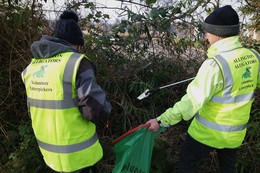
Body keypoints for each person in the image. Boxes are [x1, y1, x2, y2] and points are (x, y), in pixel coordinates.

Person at [146, 5, 260, 173]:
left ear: (219, 34)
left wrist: (161, 120)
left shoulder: (215, 65)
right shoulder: (254, 57)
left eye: (208, 31)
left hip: (206, 133)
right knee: (228, 169)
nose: (206, 36)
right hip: (234, 135)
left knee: (186, 164)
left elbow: (191, 102)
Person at [21, 10, 112, 173]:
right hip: (78, 156)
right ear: (77, 45)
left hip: (49, 154)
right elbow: (92, 109)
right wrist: (106, 113)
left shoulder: (31, 68)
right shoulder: (77, 63)